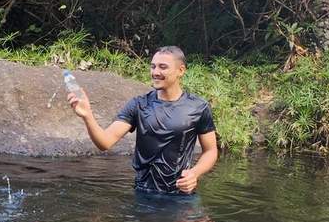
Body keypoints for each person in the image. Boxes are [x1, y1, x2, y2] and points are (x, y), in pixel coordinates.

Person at [69, 46, 218, 194]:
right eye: (153, 67)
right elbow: (105, 142)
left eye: (163, 67)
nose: (155, 72)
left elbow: (210, 151)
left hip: (181, 195)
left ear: (181, 70)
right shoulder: (139, 105)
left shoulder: (198, 107)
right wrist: (87, 115)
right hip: (144, 194)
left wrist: (194, 173)